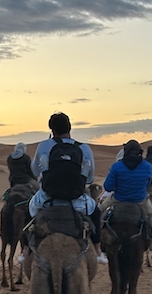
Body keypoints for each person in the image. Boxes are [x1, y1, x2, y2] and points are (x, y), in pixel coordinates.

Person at [30, 112, 107, 263]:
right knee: (96, 213)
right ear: (70, 128)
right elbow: (90, 178)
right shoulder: (83, 148)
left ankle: (26, 250)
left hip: (47, 197)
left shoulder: (44, 146)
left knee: (30, 213)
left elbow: (35, 172)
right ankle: (98, 251)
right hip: (77, 198)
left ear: (52, 130)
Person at [102, 140, 152, 247]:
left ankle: (97, 241)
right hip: (140, 200)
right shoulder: (148, 166)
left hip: (118, 199)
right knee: (151, 215)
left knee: (99, 210)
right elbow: (147, 184)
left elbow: (108, 187)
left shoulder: (116, 166)